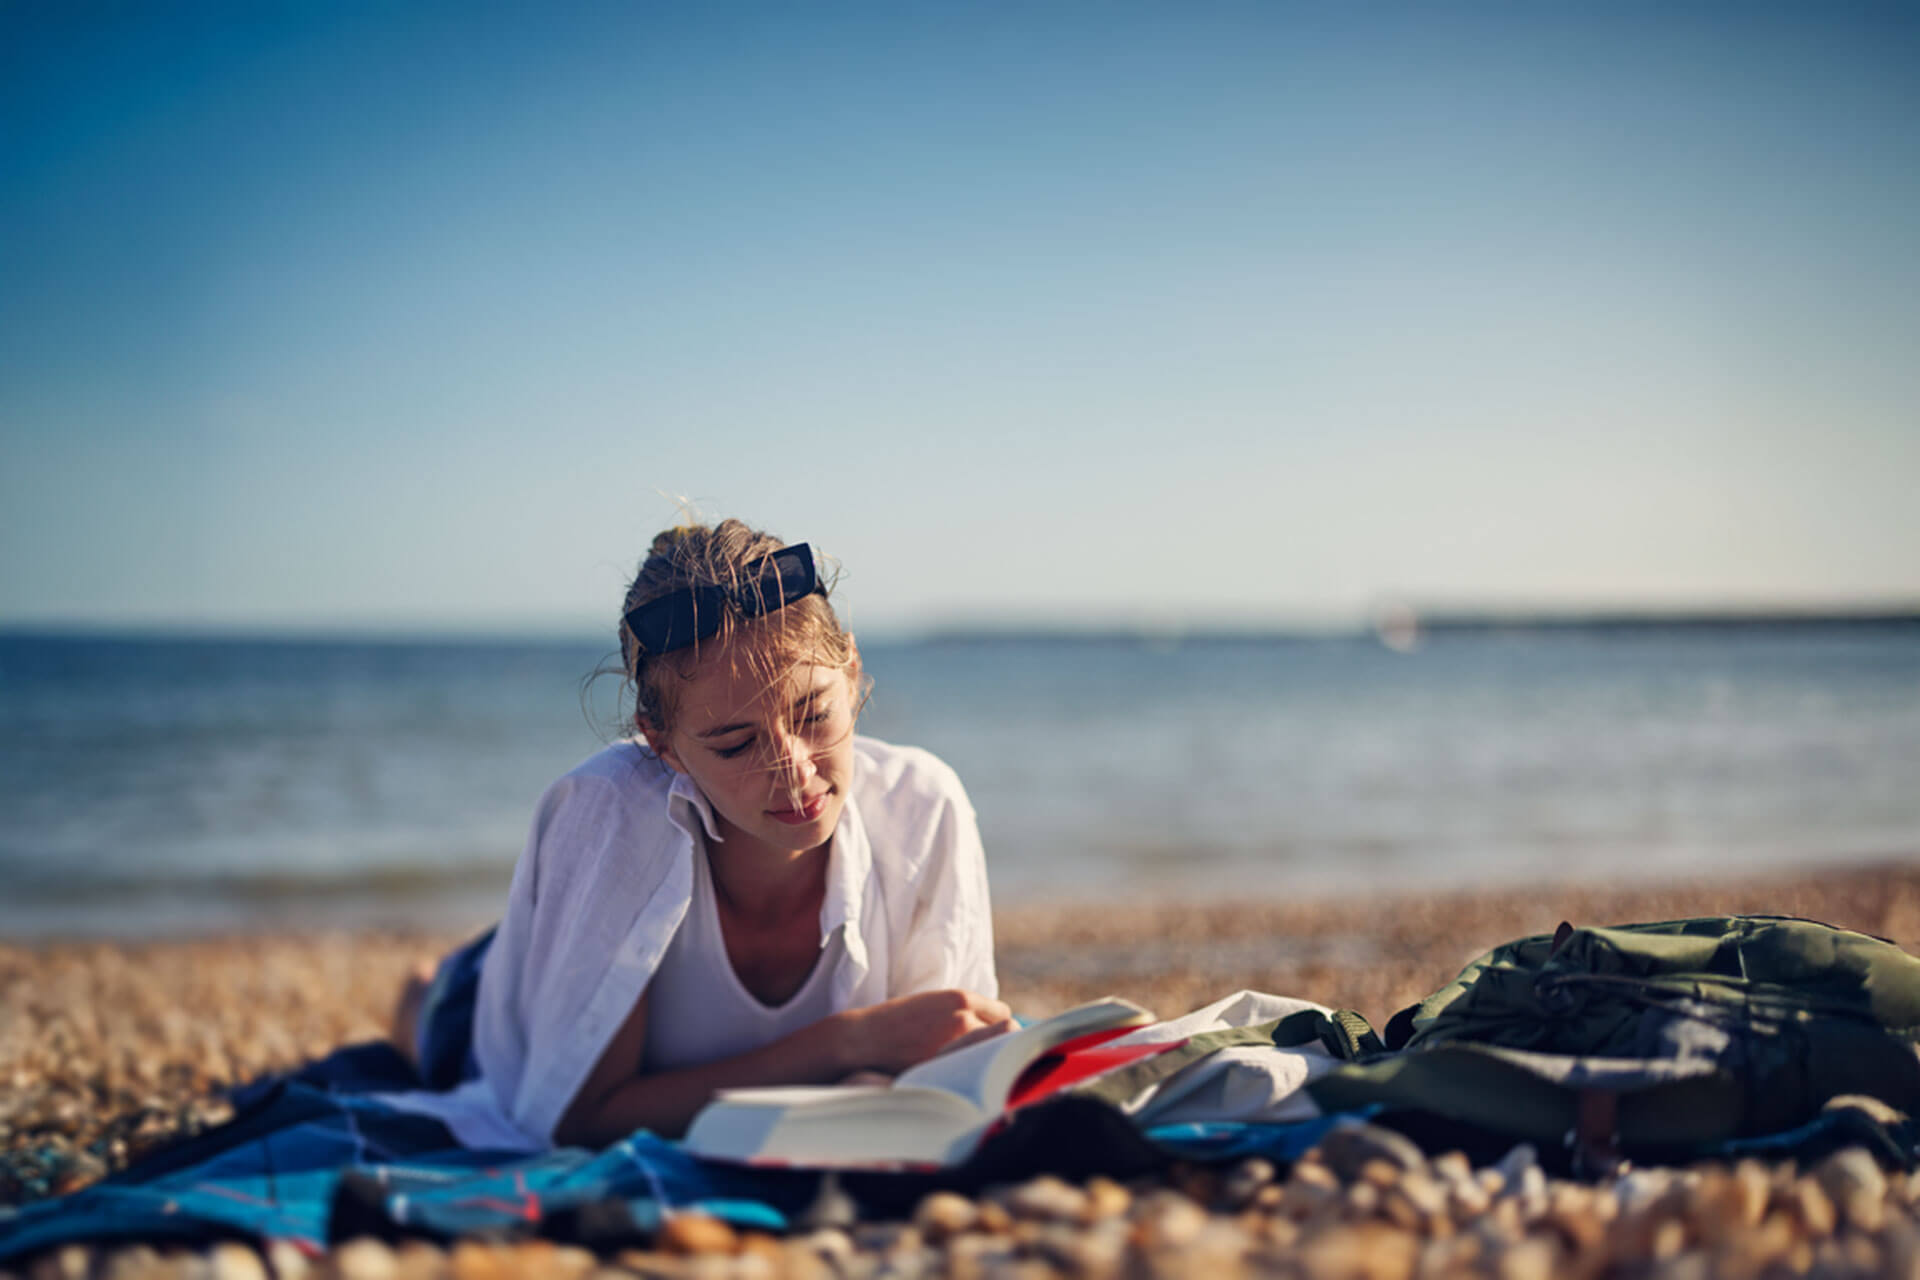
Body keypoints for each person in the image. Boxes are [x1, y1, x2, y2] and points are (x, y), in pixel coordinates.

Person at [393, 519, 1008, 1149]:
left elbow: (945, 1072)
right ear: (662, 745)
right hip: (526, 982)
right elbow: (572, 1120)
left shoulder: (922, 805)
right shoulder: (610, 814)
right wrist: (845, 1044)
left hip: (601, 938)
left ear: (850, 672)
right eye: (736, 744)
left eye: (814, 714)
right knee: (440, 1020)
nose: (795, 772)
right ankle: (427, 986)